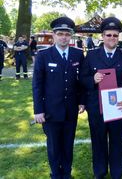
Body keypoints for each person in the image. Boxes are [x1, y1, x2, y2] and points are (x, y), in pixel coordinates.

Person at [80, 17, 122, 179]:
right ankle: (100, 172)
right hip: (97, 108)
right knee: (98, 142)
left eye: (115, 35)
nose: (112, 38)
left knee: (117, 142)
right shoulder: (91, 56)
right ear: (102, 36)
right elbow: (82, 79)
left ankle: (117, 172)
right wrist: (92, 79)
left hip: (118, 107)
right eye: (108, 35)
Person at [32, 17, 85, 179]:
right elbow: (37, 85)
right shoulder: (43, 55)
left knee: (68, 144)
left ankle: (67, 173)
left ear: (71, 36)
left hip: (71, 109)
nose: (63, 37)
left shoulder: (77, 54)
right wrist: (38, 111)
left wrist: (82, 101)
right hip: (51, 111)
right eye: (60, 34)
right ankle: (56, 174)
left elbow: (81, 80)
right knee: (54, 146)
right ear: (54, 35)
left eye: (67, 34)